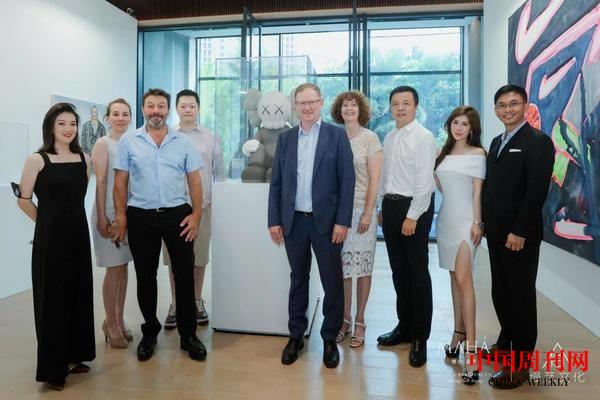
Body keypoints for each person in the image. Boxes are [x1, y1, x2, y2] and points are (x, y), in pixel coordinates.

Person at [110, 88, 207, 362]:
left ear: (167, 110)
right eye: (151, 106)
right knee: (145, 276)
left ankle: (189, 335)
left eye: (161, 106)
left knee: (184, 275)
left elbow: (195, 180)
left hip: (178, 215)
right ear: (143, 110)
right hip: (140, 215)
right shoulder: (129, 141)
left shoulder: (182, 142)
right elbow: (120, 182)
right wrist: (121, 218)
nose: (156, 111)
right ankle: (150, 332)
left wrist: (196, 215)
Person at [268, 83, 355, 368]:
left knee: (332, 281)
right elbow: (277, 182)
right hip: (294, 222)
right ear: (295, 106)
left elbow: (348, 181)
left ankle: (329, 338)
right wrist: (274, 220)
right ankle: (296, 336)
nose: (307, 107)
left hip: (327, 224)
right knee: (298, 279)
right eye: (302, 103)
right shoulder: (286, 138)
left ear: (321, 102)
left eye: (312, 102)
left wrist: (342, 221)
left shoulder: (337, 136)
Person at [16, 103, 95, 390]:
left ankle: (75, 355)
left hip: (78, 235)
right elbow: (23, 199)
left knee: (78, 294)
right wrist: (45, 223)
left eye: (72, 123)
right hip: (50, 239)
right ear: (50, 126)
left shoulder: (84, 158)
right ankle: (53, 368)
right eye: (62, 123)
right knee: (52, 299)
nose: (68, 128)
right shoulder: (37, 160)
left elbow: (78, 198)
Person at [483, 85, 554, 389]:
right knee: (501, 291)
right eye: (502, 105)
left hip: (518, 234)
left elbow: (536, 191)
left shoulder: (538, 142)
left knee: (520, 295)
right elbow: (493, 187)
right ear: (496, 110)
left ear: (525, 107)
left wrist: (520, 230)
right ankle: (505, 343)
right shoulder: (497, 141)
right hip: (496, 231)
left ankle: (520, 365)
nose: (508, 109)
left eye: (514, 104)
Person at [376, 86, 437, 368]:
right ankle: (405, 327)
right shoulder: (389, 136)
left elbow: (425, 182)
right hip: (391, 206)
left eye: (406, 103)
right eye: (395, 103)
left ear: (415, 106)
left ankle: (420, 337)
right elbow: (385, 175)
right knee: (399, 271)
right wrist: (381, 207)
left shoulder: (424, 137)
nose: (400, 108)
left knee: (417, 273)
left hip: (415, 208)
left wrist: (412, 216)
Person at [163, 89, 225, 328]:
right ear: (176, 109)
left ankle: (196, 301)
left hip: (203, 207)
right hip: (173, 207)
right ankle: (176, 304)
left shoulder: (211, 137)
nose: (188, 109)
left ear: (198, 108)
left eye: (192, 106)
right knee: (174, 259)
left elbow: (219, 175)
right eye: (183, 106)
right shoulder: (166, 136)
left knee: (199, 257)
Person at [434, 105, 486, 384]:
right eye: (456, 122)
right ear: (449, 125)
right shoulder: (442, 155)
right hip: (445, 222)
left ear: (472, 129)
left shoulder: (478, 154)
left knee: (465, 281)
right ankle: (458, 333)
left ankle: (472, 350)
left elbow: (477, 193)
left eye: (465, 124)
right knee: (454, 279)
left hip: (467, 224)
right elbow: (443, 188)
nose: (459, 128)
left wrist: (477, 222)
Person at [329, 91, 382, 348]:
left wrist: (368, 212)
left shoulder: (370, 138)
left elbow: (375, 179)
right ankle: (345, 319)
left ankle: (360, 320)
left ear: (361, 110)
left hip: (362, 209)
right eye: (345, 105)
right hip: (338, 212)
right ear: (339, 110)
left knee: (362, 268)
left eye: (353, 105)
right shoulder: (333, 137)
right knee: (342, 269)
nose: (349, 108)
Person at [91, 98, 134, 349]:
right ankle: (110, 322)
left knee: (123, 267)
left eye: (125, 114)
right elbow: (101, 182)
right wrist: (102, 216)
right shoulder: (103, 144)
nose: (120, 118)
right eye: (115, 114)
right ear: (107, 118)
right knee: (114, 268)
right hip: (108, 211)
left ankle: (118, 318)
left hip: (127, 213)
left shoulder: (132, 142)